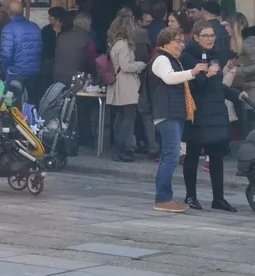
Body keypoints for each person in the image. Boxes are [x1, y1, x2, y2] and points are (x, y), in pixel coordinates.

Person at [181, 20, 247, 212]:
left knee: (217, 157)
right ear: (196, 37)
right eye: (205, 36)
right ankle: (190, 196)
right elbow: (191, 86)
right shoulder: (188, 57)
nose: (209, 39)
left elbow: (218, 86)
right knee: (193, 155)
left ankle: (219, 198)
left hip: (216, 112)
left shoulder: (214, 56)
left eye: (211, 36)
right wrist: (206, 75)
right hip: (199, 112)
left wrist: (235, 94)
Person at [147, 27, 208, 213]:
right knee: (171, 157)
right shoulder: (161, 59)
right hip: (166, 113)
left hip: (174, 112)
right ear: (165, 43)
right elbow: (169, 78)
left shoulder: (173, 60)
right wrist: (193, 72)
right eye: (177, 41)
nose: (182, 45)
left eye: (183, 41)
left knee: (171, 156)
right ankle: (162, 198)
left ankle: (166, 197)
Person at [106, 13, 146, 163]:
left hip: (119, 84)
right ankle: (122, 149)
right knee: (128, 119)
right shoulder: (123, 44)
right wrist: (140, 65)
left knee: (121, 119)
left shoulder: (115, 43)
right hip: (126, 84)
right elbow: (126, 66)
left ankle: (119, 149)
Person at [0, 0, 42, 97]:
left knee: (13, 104)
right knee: (29, 102)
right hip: (34, 72)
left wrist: (3, 71)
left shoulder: (9, 28)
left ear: (9, 12)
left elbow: (6, 54)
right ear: (22, 11)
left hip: (15, 72)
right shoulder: (35, 27)